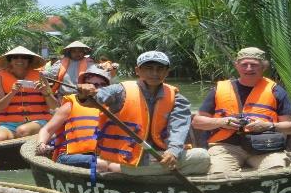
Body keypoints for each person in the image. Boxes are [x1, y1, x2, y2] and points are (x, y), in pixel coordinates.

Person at [78, 51, 210, 175]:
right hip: (128, 158)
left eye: (160, 69)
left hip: (158, 155)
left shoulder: (176, 98)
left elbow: (178, 128)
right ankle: (123, 169)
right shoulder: (121, 90)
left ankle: (154, 172)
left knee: (203, 157)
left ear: (167, 72)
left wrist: (173, 152)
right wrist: (87, 93)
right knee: (200, 159)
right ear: (137, 71)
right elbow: (99, 97)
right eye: (149, 68)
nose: (154, 73)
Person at [192, 47, 291, 173]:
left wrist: (268, 125)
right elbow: (197, 122)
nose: (249, 68)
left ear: (263, 67)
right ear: (237, 66)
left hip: (266, 147)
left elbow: (290, 127)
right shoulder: (219, 89)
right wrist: (222, 122)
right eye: (244, 64)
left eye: (254, 65)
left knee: (276, 171)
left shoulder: (277, 91)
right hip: (226, 147)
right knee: (218, 175)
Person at [35, 66, 111, 169]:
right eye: (95, 85)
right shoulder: (71, 104)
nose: (98, 88)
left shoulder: (111, 106)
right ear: (84, 85)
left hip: (98, 156)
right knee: (105, 164)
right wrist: (41, 144)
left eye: (103, 85)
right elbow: (47, 129)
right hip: (69, 157)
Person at [0, 46, 58, 141]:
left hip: (37, 120)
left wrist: (45, 92)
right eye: (15, 57)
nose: (20, 60)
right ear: (10, 61)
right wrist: (12, 93)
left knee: (22, 131)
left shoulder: (40, 76)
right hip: (9, 123)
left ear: (29, 61)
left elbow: (54, 106)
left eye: (24, 57)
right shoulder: (0, 77)